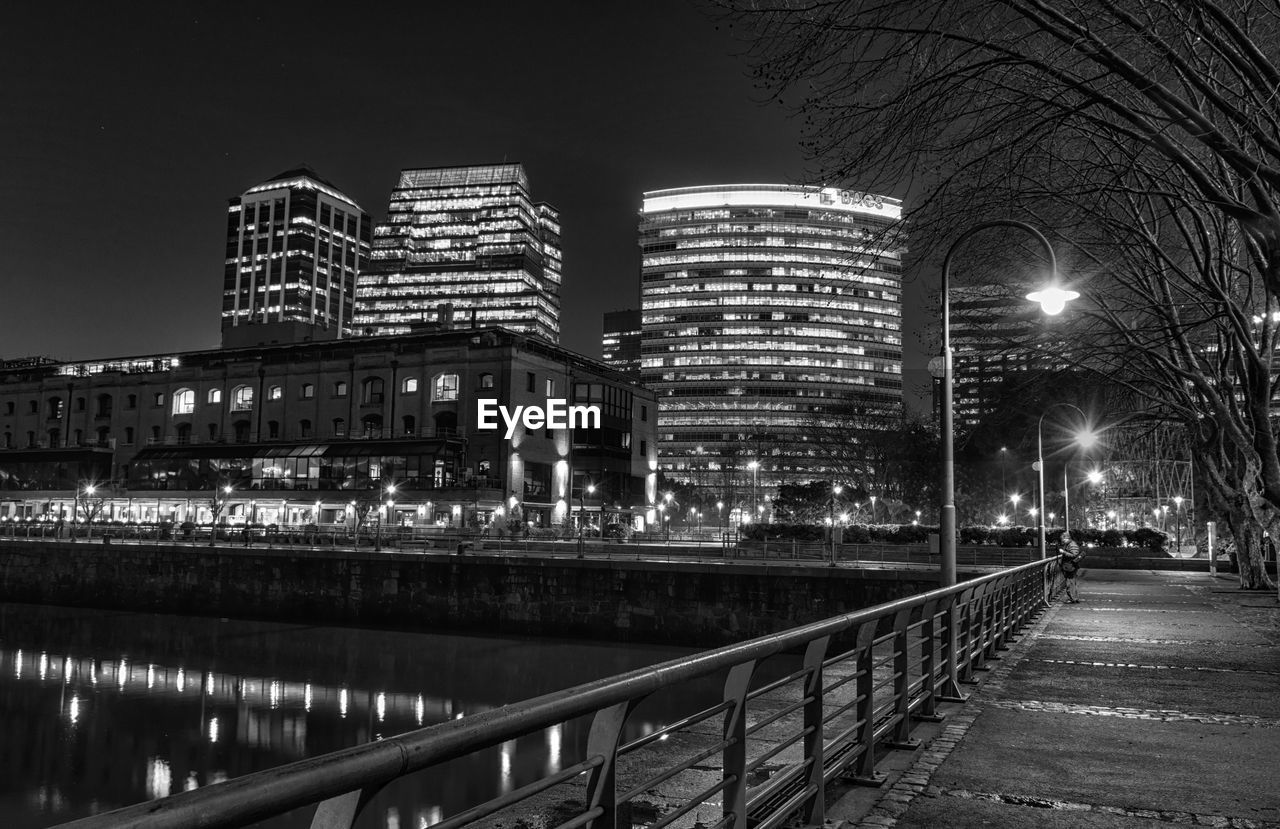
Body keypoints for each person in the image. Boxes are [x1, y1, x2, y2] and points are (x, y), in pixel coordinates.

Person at [1058, 530, 1083, 603]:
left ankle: (1073, 598)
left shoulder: (1072, 545)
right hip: (1069, 566)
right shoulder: (1069, 544)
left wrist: (1063, 552)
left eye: (1062, 539)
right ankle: (1074, 597)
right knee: (1071, 583)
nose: (1062, 541)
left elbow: (1074, 554)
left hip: (1070, 566)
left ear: (1066, 538)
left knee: (1070, 583)